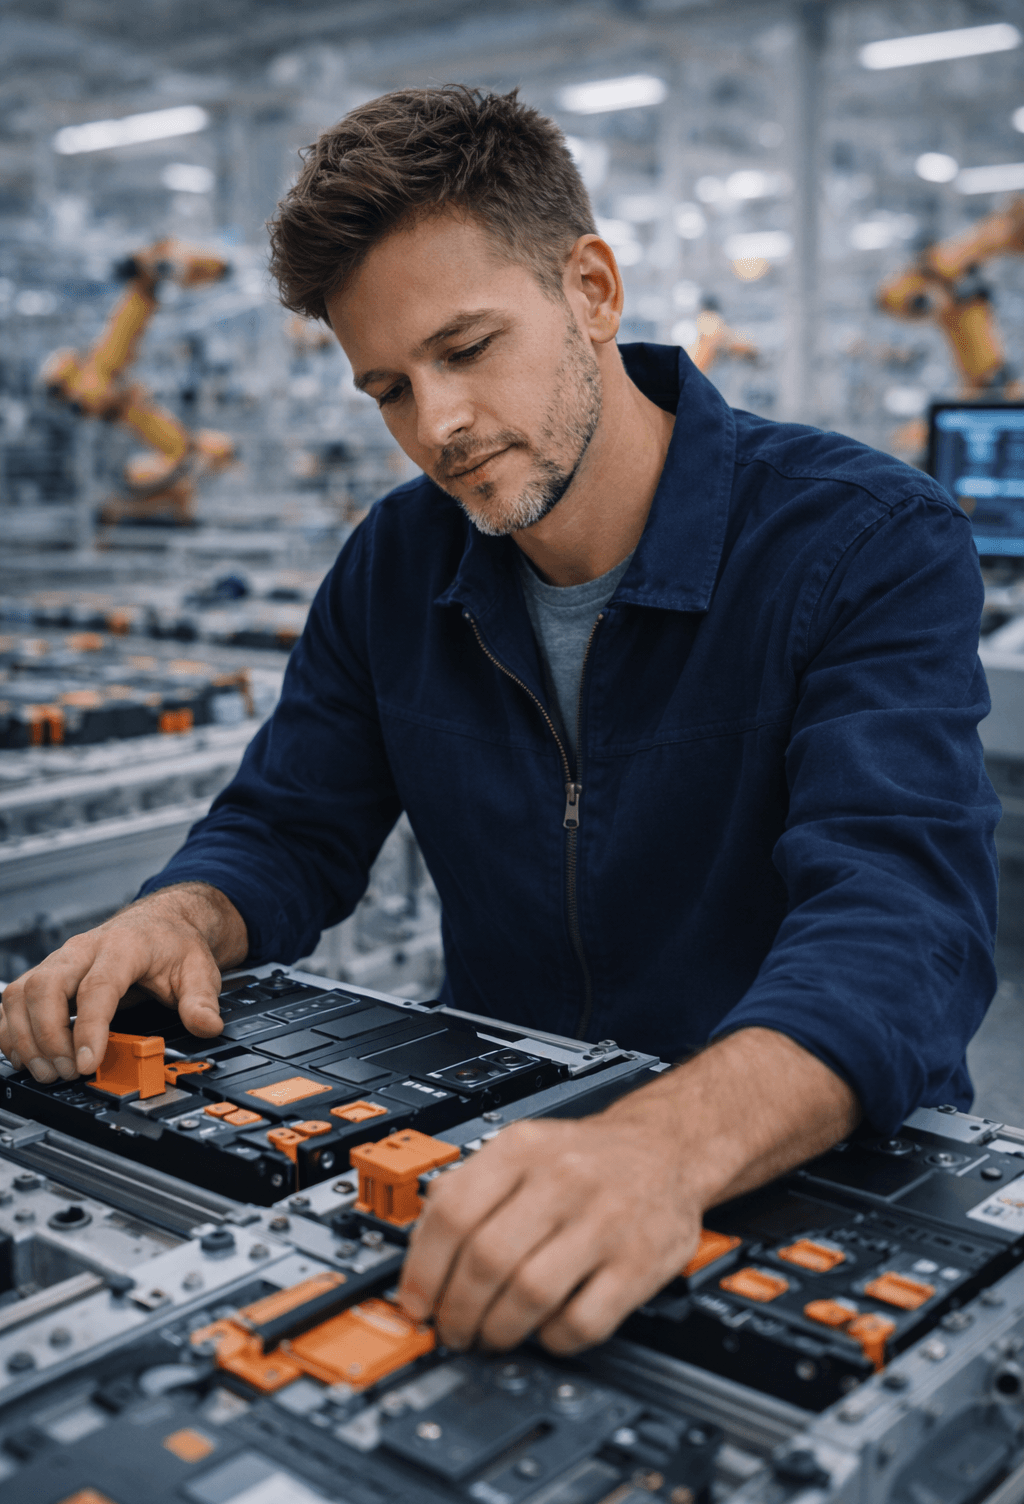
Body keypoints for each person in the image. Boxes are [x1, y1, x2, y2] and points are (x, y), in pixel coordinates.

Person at [0, 87, 999, 1358]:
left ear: (591, 287)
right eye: (389, 390)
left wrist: (655, 1147)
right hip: (502, 1146)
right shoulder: (396, 561)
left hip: (811, 1158)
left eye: (467, 349)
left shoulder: (860, 541)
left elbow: (901, 924)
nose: (439, 428)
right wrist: (175, 915)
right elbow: (289, 823)